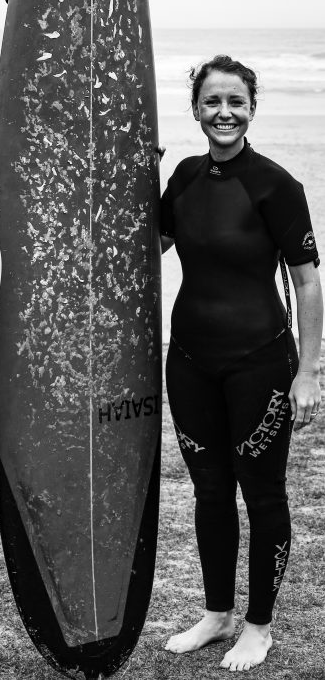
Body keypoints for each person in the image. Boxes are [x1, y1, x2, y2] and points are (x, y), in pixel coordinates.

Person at [160, 55, 322, 672]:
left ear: (252, 108)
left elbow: (307, 284)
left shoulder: (277, 186)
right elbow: (151, 245)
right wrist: (131, 180)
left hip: (260, 362)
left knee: (262, 493)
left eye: (235, 101)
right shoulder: (184, 177)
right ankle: (217, 614)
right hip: (190, 360)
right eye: (212, 102)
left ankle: (258, 626)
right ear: (196, 109)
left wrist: (308, 373)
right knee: (209, 491)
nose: (223, 112)